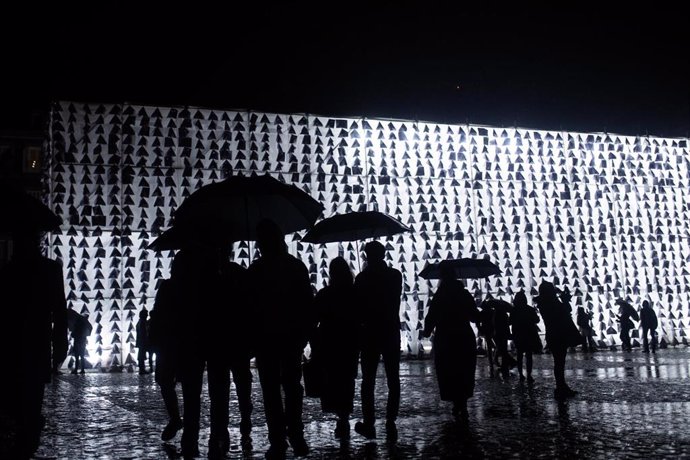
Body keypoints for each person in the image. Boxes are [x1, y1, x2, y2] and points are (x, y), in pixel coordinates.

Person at [247, 219, 314, 459]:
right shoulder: (295, 267)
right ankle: (295, 432)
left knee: (271, 390)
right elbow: (308, 303)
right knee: (292, 387)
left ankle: (278, 437)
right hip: (290, 336)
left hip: (266, 339)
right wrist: (305, 333)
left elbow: (249, 308)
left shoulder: (255, 271)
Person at [0, 231, 68, 459]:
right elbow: (60, 310)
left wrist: (60, 342)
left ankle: (24, 441)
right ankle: (26, 439)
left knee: (19, 405)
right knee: (26, 405)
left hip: (16, 348)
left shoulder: (8, 271)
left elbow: (59, 310)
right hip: (33, 346)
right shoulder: (49, 270)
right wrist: (60, 343)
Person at [353, 240, 403, 441]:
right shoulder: (395, 275)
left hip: (370, 333)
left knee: (368, 380)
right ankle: (391, 418)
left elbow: (358, 308)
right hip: (390, 329)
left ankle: (369, 419)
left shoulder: (362, 278)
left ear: (366, 256)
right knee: (393, 377)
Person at [422, 262, 479, 421]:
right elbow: (474, 316)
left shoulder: (439, 296)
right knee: (464, 369)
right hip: (463, 336)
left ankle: (456, 401)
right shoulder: (464, 294)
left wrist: (427, 330)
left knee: (449, 370)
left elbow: (431, 317)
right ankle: (463, 402)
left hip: (445, 337)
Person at [312, 257, 360, 439]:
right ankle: (344, 413)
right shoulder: (355, 293)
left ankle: (340, 412)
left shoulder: (325, 294)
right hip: (349, 341)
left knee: (333, 377)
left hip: (329, 342)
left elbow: (313, 318)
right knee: (347, 378)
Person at [148, 253, 184, 443]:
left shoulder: (168, 287)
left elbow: (157, 314)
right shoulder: (195, 288)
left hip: (168, 343)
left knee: (165, 382)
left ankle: (176, 418)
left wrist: (152, 340)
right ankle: (189, 430)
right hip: (187, 342)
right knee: (189, 386)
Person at [534, 281, 583, 400]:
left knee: (559, 362)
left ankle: (561, 386)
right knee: (559, 362)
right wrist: (565, 300)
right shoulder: (551, 303)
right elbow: (564, 312)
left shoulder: (543, 303)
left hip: (553, 335)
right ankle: (561, 387)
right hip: (559, 335)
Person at [510, 290, 541, 382]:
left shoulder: (514, 310)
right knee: (529, 355)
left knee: (519, 355)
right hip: (529, 334)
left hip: (518, 335)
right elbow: (536, 320)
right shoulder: (530, 309)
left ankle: (521, 375)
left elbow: (510, 321)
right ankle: (529, 375)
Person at [477, 297, 496, 377]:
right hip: (493, 329)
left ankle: (491, 362)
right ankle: (494, 360)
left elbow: (478, 323)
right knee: (496, 345)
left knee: (489, 346)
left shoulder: (482, 313)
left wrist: (480, 329)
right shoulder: (492, 311)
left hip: (486, 330)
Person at [136, 308, 153, 374]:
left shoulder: (141, 322)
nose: (147, 316)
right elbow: (143, 333)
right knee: (141, 356)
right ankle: (142, 369)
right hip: (142, 342)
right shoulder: (142, 322)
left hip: (141, 341)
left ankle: (142, 369)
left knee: (141, 355)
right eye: (146, 315)